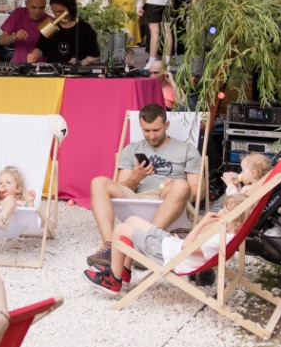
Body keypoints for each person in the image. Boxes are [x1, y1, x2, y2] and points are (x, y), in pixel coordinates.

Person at [84, 151, 271, 295]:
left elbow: (188, 247)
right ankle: (124, 270)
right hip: (170, 245)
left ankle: (113, 280)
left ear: (233, 219)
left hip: (170, 253)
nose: (220, 212)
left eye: (224, 211)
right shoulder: (228, 230)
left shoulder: (222, 235)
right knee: (132, 220)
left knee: (122, 229)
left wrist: (203, 221)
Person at [86, 103, 201, 267]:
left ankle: (145, 244)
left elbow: (196, 191)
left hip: (168, 197)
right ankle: (110, 246)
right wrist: (136, 177)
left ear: (166, 125)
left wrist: (175, 185)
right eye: (146, 131)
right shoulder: (132, 149)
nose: (152, 136)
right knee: (98, 182)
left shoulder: (186, 149)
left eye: (156, 130)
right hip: (137, 198)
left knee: (182, 185)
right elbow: (121, 187)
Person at [26, 0, 100, 66]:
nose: (57, 15)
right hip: (53, 73)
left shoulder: (84, 29)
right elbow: (40, 48)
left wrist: (81, 62)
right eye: (54, 12)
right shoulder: (50, 27)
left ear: (70, 9)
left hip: (76, 74)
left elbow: (95, 55)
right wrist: (34, 54)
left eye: (60, 11)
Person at [0, 0, 51, 64]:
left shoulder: (50, 21)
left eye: (41, 8)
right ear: (26, 4)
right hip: (18, 64)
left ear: (45, 5)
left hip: (41, 67)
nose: (37, 12)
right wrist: (14, 36)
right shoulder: (18, 13)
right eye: (33, 8)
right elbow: (2, 40)